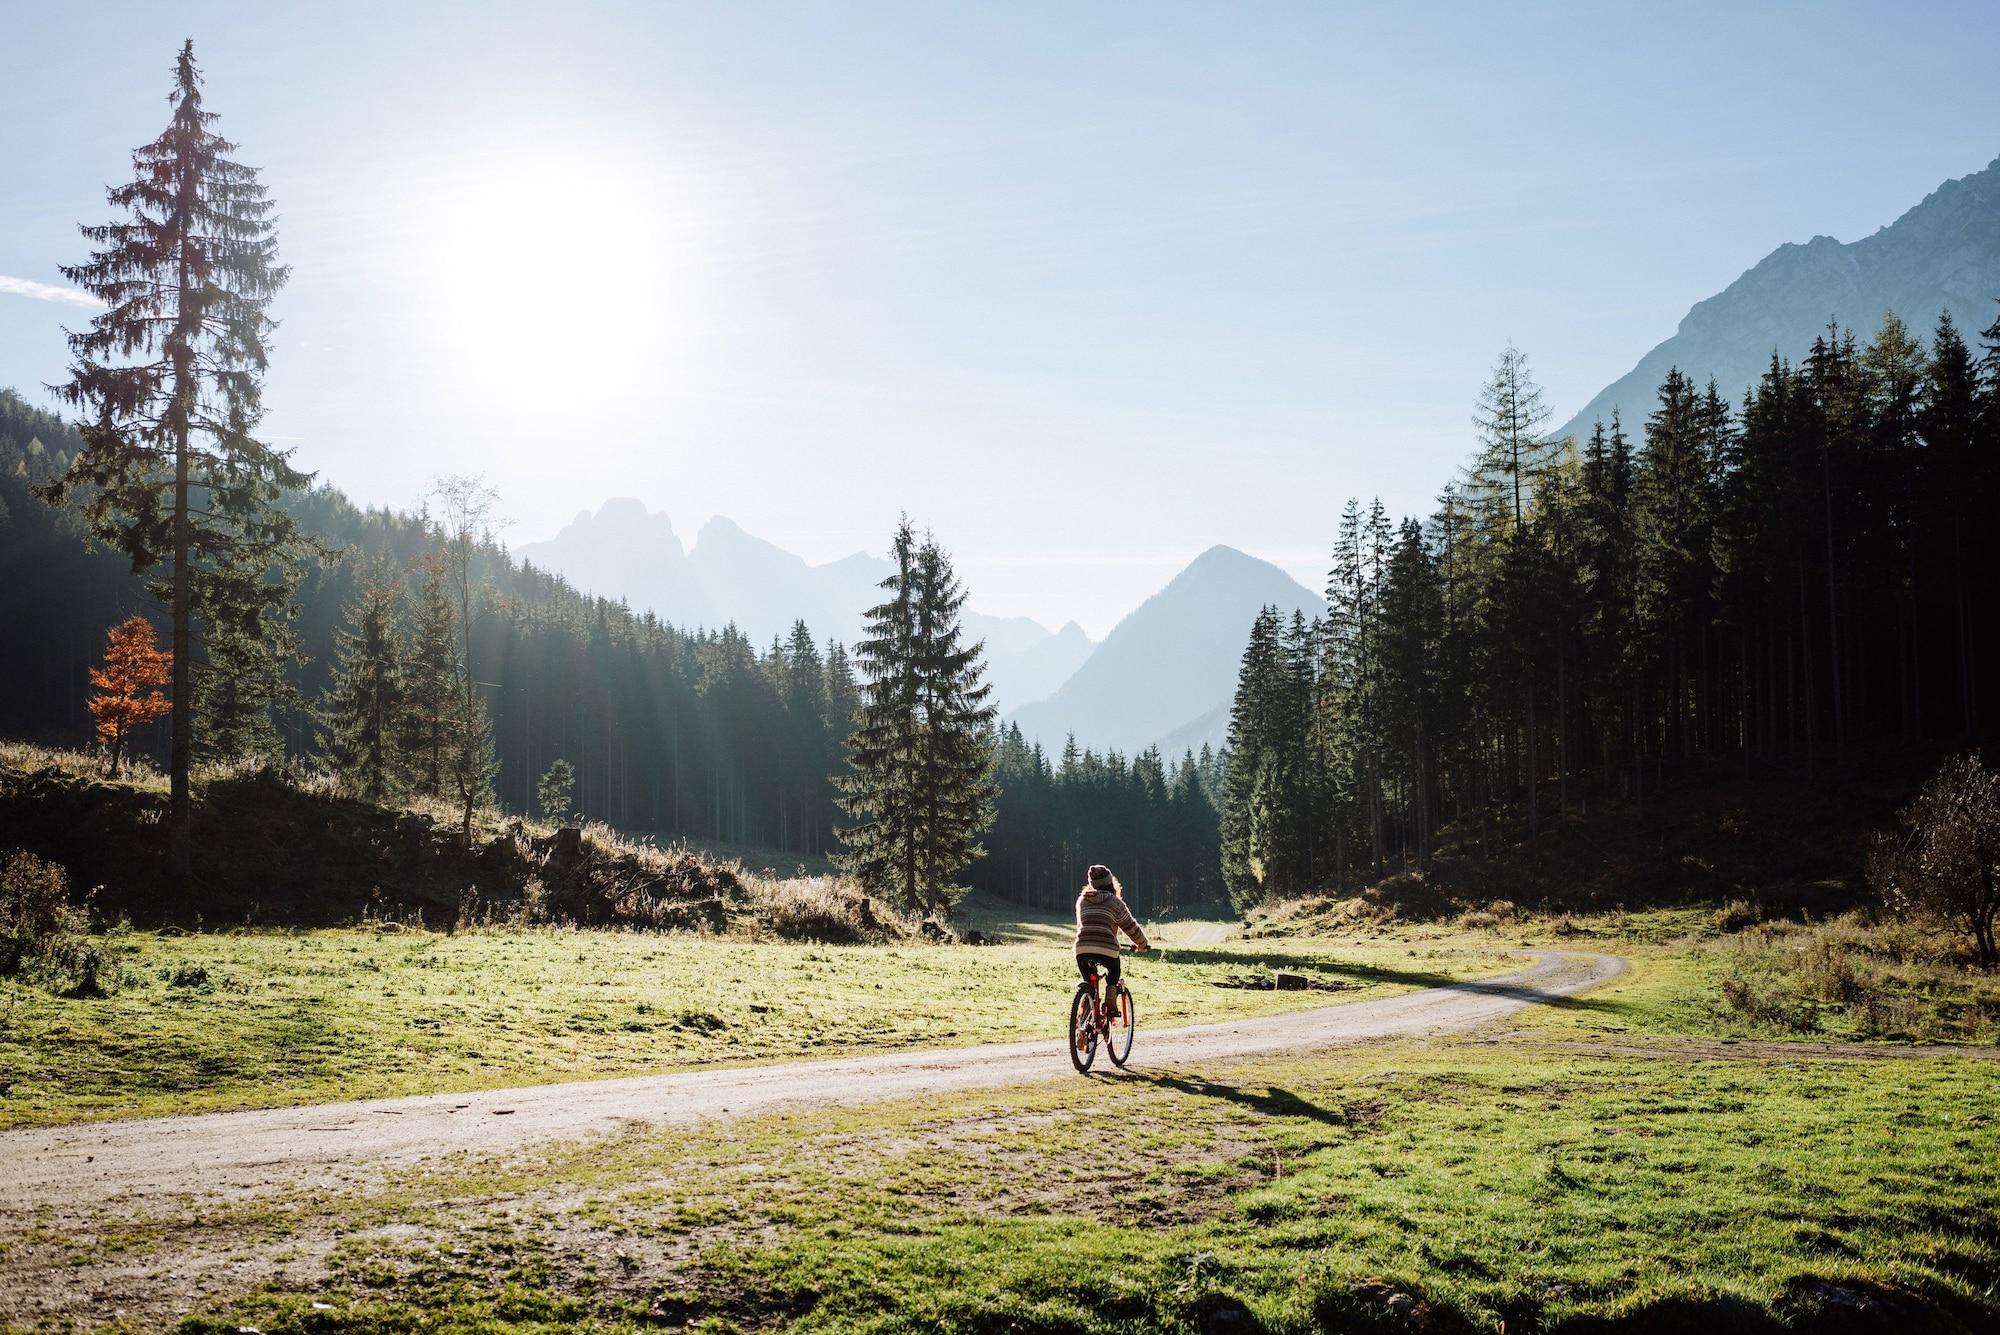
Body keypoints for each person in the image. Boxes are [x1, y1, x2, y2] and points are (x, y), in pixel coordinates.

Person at [1074, 863, 1149, 1028]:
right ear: (1110, 883)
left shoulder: (1082, 901)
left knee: (1089, 983)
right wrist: (1142, 944)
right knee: (1113, 972)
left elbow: (1083, 925)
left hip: (1082, 949)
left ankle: (1083, 1021)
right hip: (1107, 949)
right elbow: (1131, 927)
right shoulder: (1115, 903)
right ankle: (1110, 1002)